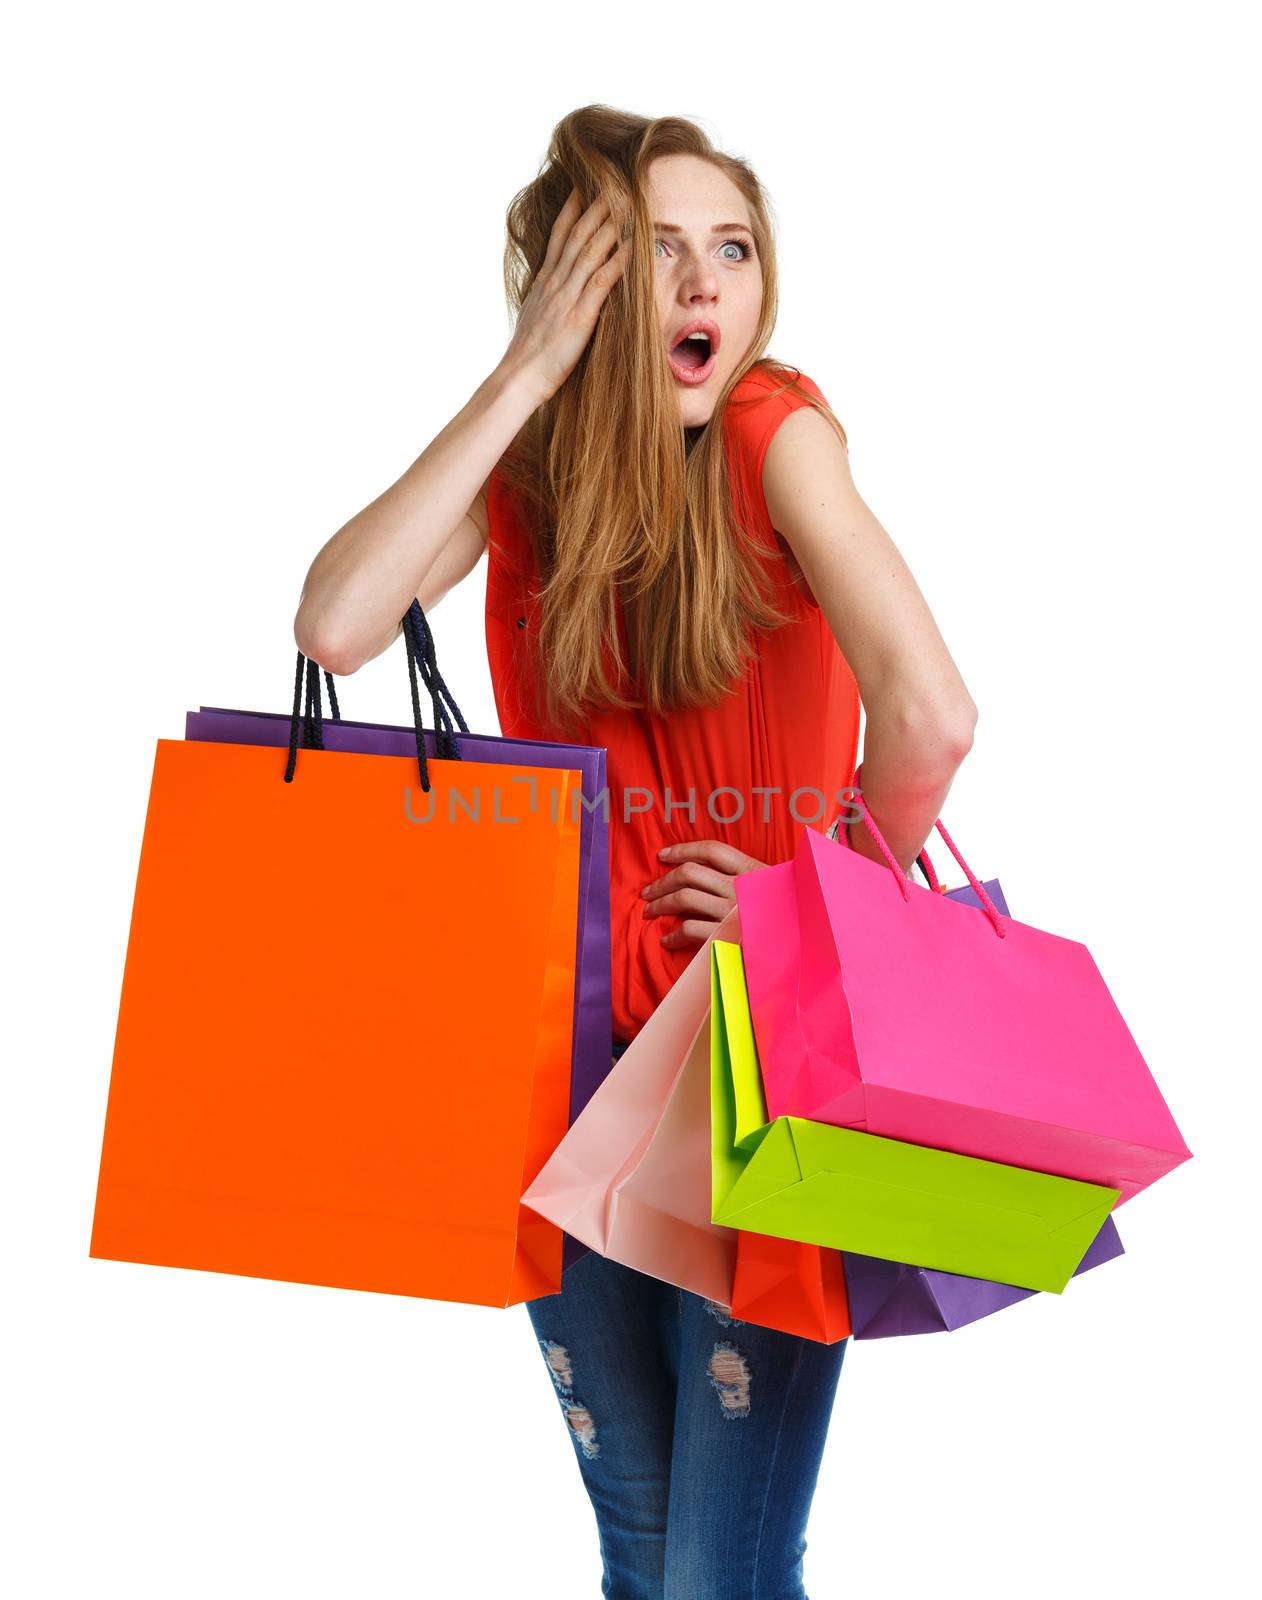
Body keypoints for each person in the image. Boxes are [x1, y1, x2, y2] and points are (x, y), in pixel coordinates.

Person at [293, 105, 978, 1600]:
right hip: (555, 1062)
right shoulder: (535, 465)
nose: (703, 288)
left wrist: (817, 904)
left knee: (712, 1572)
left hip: (750, 1050)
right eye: (655, 255)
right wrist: (527, 368)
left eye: (729, 250)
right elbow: (338, 627)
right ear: (576, 285)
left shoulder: (771, 433)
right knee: (642, 1559)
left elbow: (930, 716)